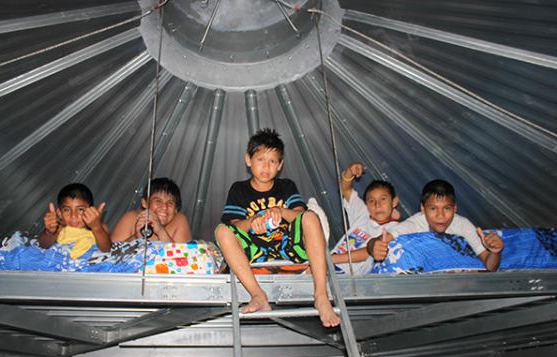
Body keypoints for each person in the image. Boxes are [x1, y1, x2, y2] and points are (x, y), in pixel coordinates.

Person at [215, 128, 340, 327]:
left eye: (272, 161)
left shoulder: (286, 186)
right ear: (248, 160)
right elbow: (234, 225)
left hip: (288, 250)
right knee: (221, 230)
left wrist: (281, 211)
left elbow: (301, 215)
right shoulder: (239, 189)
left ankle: (321, 295)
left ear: (280, 165)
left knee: (311, 217)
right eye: (260, 159)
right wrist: (254, 220)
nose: (266, 166)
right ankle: (258, 295)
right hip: (257, 255)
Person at [367, 179, 504, 271]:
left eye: (447, 208)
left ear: (455, 208)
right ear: (422, 208)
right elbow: (379, 240)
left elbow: (490, 266)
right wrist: (374, 247)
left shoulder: (463, 225)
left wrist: (495, 252)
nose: (440, 216)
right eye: (433, 209)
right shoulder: (414, 224)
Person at [331, 161, 400, 273]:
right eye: (371, 201)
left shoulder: (396, 228)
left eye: (383, 199)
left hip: (348, 276)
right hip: (330, 265)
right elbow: (346, 189)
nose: (377, 205)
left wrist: (328, 260)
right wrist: (350, 172)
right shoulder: (363, 214)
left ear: (394, 201)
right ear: (366, 205)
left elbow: (369, 251)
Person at [38, 183, 111, 257]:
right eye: (67, 210)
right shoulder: (59, 228)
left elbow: (106, 249)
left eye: (80, 209)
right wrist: (49, 232)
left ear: (91, 211)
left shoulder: (100, 228)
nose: (73, 216)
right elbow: (43, 245)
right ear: (60, 213)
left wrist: (96, 227)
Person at [111, 177, 191, 243]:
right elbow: (110, 256)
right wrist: (135, 237)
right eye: (158, 201)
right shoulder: (131, 218)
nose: (164, 207)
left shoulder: (179, 221)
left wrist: (161, 231)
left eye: (170, 203)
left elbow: (183, 259)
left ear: (176, 209)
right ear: (144, 203)